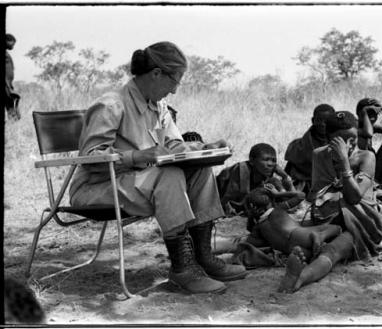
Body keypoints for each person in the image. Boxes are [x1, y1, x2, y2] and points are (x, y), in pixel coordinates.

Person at [69, 42, 247, 294]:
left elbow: (175, 145)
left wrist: (205, 147)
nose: (174, 90)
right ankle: (183, 269)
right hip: (97, 188)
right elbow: (91, 159)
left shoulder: (158, 106)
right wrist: (138, 156)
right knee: (169, 175)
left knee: (201, 170)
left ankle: (203, 256)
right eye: (175, 80)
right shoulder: (111, 105)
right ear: (156, 74)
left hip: (137, 182)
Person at [279, 110, 382, 293]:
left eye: (353, 137)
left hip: (361, 221)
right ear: (330, 139)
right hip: (329, 216)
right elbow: (317, 195)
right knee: (288, 233)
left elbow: (355, 198)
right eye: (341, 139)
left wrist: (344, 163)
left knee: (332, 250)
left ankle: (299, 279)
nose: (350, 143)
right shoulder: (319, 154)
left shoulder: (366, 157)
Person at [243, 187, 342, 259]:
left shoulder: (259, 227)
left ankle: (308, 254)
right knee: (336, 228)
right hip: (299, 234)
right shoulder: (278, 209)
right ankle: (321, 235)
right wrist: (278, 194)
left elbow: (251, 242)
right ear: (271, 201)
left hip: (289, 248)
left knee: (311, 255)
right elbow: (301, 195)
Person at [217, 143, 304, 222]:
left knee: (275, 181)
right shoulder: (241, 170)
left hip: (249, 204)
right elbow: (228, 200)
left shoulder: (266, 175)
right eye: (266, 160)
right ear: (252, 161)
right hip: (221, 201)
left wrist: (285, 177)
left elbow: (296, 203)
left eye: (274, 161)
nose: (270, 164)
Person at [284, 104, 336, 195]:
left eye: (327, 121)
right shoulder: (298, 146)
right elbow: (289, 171)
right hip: (305, 188)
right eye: (319, 120)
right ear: (313, 121)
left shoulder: (339, 141)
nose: (323, 124)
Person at [5, 33, 20, 121]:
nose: (13, 45)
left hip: (8, 84)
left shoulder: (6, 53)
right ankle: (13, 122)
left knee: (12, 103)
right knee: (11, 104)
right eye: (12, 43)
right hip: (6, 85)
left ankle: (13, 123)